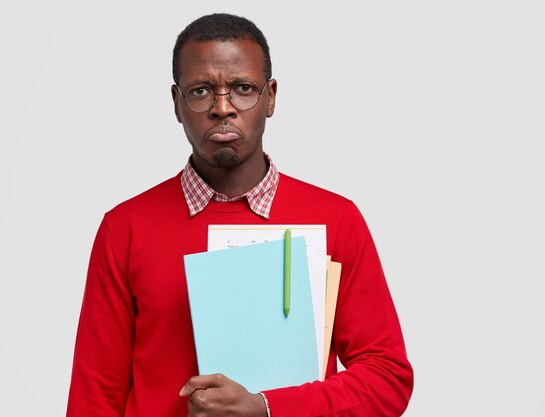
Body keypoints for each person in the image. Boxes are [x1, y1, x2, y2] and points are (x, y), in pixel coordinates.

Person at [66, 13, 413, 417]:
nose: (223, 108)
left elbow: (387, 377)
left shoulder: (336, 219)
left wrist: (267, 408)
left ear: (271, 97)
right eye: (200, 91)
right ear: (177, 104)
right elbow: (94, 398)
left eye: (243, 88)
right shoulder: (124, 229)